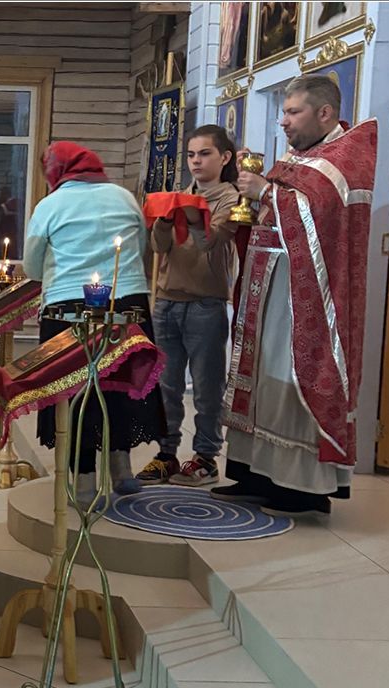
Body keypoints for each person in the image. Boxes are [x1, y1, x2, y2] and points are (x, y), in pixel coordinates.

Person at [212, 75, 378, 515]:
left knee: (291, 379)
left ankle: (298, 489)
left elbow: (320, 219)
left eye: (292, 112)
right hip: (268, 290)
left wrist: (266, 191)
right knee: (263, 379)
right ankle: (255, 475)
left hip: (306, 300)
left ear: (324, 113)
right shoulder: (298, 157)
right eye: (283, 112)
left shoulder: (340, 160)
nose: (283, 121)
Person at [24, 141, 166, 500]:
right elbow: (140, 247)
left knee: (76, 390)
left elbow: (32, 267)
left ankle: (84, 479)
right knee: (120, 383)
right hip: (128, 301)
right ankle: (122, 467)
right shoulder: (124, 198)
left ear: (56, 171)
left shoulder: (50, 205)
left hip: (68, 307)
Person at [136, 125, 241, 487]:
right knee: (166, 385)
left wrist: (194, 215)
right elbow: (159, 246)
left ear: (224, 158)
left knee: (207, 386)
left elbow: (212, 241)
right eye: (191, 155)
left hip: (205, 303)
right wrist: (165, 220)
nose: (196, 161)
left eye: (205, 154)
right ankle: (166, 454)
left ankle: (206, 457)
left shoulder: (231, 198)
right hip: (167, 300)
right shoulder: (181, 195)